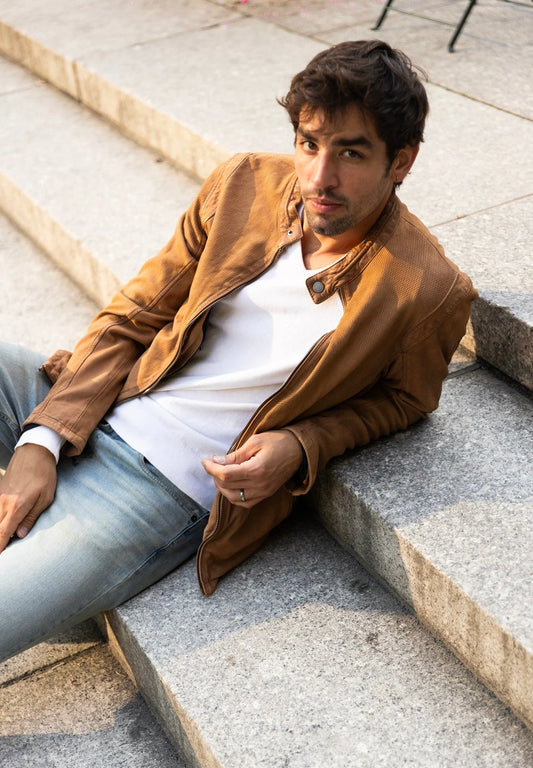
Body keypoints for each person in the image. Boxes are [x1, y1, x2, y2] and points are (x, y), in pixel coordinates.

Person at [0, 40, 476, 661]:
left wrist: (303, 444)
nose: (319, 177)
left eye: (351, 153)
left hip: (159, 489)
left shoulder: (426, 290)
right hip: (107, 398)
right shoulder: (246, 183)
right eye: (309, 143)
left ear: (401, 162)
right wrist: (42, 442)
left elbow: (406, 401)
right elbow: (134, 314)